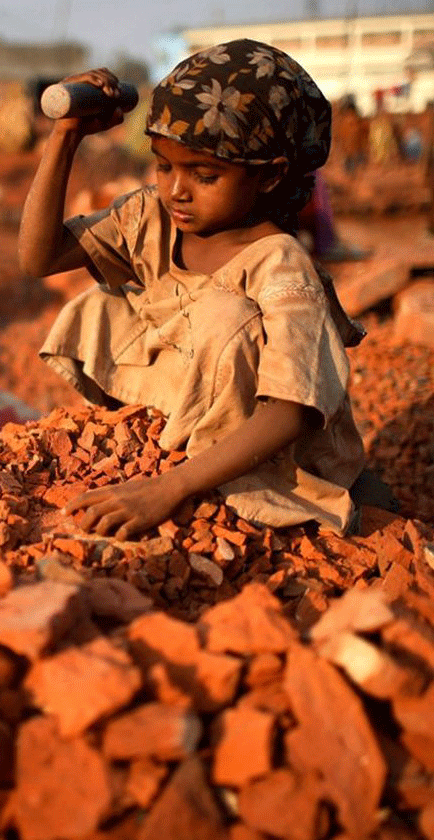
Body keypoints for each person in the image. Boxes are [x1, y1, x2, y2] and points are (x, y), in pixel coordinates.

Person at [19, 39, 388, 541]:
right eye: (164, 165)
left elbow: (292, 410)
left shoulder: (281, 267)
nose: (177, 190)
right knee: (99, 307)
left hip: (269, 457)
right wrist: (65, 135)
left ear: (271, 175)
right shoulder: (152, 216)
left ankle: (228, 478)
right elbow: (39, 257)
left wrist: (171, 488)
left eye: (205, 174)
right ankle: (165, 440)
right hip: (188, 424)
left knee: (220, 314)